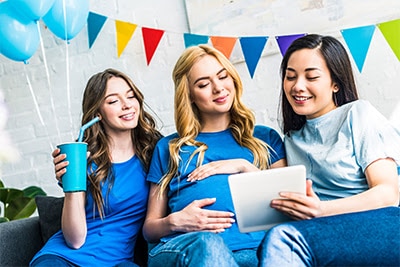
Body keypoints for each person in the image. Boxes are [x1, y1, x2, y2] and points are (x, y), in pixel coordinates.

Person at [257, 34, 400, 267]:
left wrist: (321, 210)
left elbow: (388, 193)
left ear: (336, 83)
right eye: (290, 76)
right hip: (328, 234)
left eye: (311, 76)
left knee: (286, 239)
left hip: (381, 224)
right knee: (275, 237)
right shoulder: (291, 139)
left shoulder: (357, 114)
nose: (297, 86)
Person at [142, 44, 286, 267]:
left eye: (222, 76)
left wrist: (244, 166)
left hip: (257, 251)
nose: (218, 88)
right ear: (188, 94)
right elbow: (150, 229)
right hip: (189, 249)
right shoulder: (169, 147)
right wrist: (175, 221)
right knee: (208, 244)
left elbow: (289, 208)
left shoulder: (265, 139)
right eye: (204, 84)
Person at [30, 68, 162, 267]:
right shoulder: (85, 160)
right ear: (98, 113)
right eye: (113, 101)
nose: (127, 105)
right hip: (63, 258)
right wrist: (73, 184)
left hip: (118, 261)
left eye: (130, 96)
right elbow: (75, 240)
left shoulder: (154, 153)